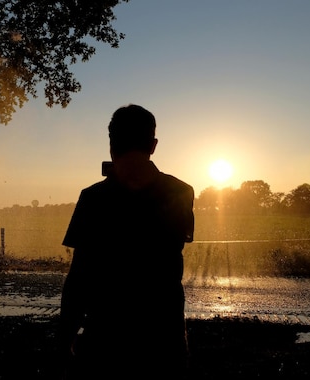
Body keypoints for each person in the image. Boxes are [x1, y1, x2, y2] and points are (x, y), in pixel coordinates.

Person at [58, 104, 195, 379]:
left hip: (105, 337)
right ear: (153, 145)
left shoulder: (93, 198)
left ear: (111, 144)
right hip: (164, 338)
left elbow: (79, 278)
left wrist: (65, 339)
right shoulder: (181, 192)